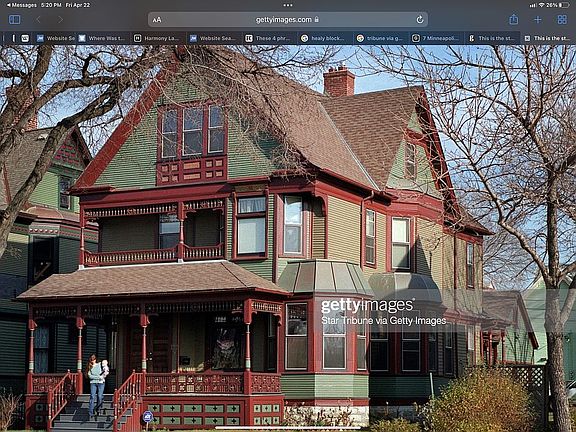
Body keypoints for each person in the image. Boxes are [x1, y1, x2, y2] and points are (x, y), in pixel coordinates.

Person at [86, 354, 106, 418]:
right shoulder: (89, 366)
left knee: (99, 396)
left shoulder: (100, 364)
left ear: (95, 359)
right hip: (93, 383)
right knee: (92, 396)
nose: (93, 361)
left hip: (101, 383)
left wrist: (98, 377)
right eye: (91, 359)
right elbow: (90, 376)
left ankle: (98, 409)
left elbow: (105, 370)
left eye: (94, 359)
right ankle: (90, 412)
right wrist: (98, 377)